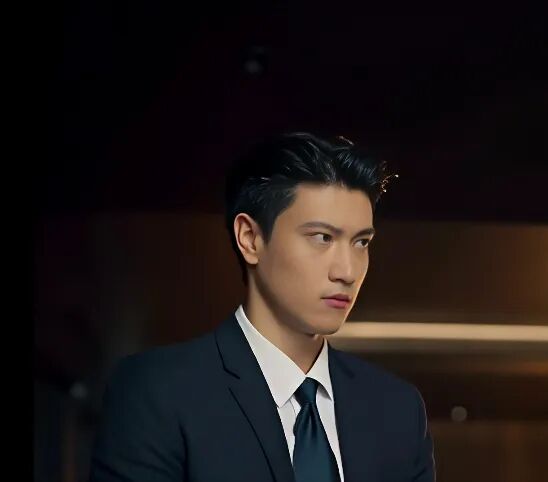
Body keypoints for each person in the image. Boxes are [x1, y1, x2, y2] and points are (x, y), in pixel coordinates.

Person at [90, 132, 436, 482]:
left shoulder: (398, 409)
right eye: (322, 238)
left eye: (361, 242)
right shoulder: (159, 392)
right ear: (250, 238)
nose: (347, 271)